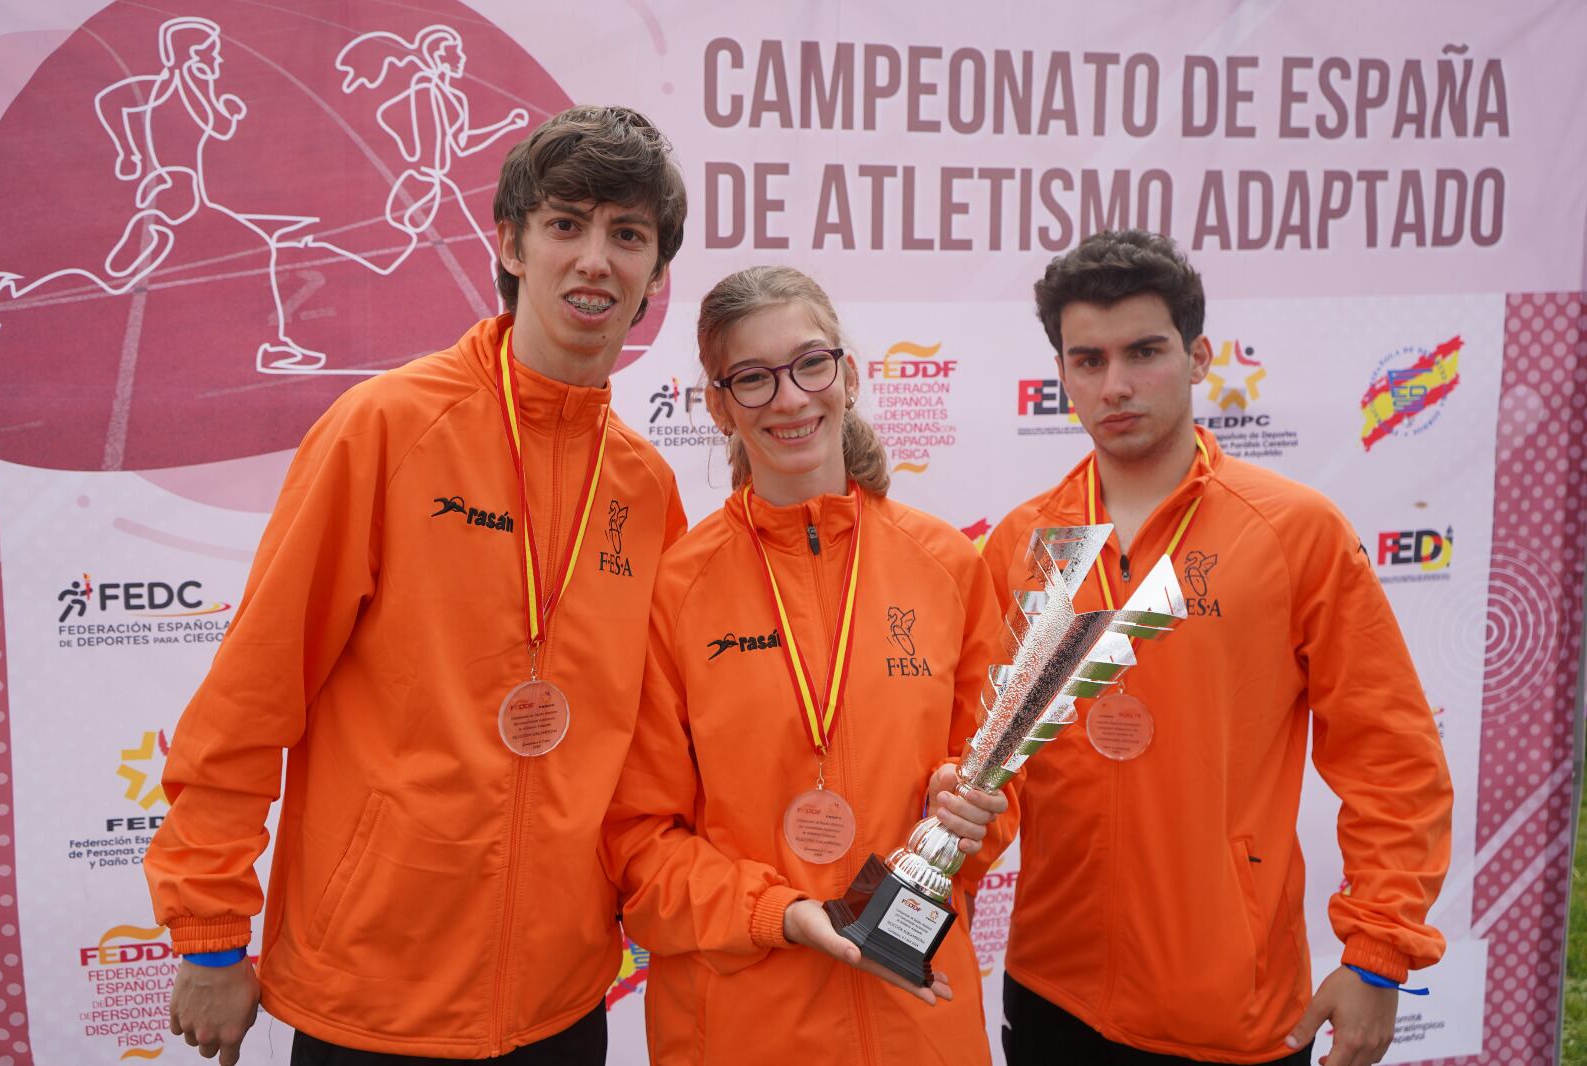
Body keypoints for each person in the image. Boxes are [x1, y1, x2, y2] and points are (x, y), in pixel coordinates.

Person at [143, 104, 688, 1066]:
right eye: (567, 224)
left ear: (653, 274)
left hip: (561, 1003)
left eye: (628, 235)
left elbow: (654, 746)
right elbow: (252, 690)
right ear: (512, 243)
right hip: (375, 994)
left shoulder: (646, 488)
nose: (596, 259)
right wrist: (210, 928)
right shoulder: (387, 427)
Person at [983, 230, 1453, 1066]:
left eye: (1145, 351)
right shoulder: (1026, 543)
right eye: (1086, 360)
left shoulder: (1293, 532)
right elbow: (987, 765)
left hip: (1230, 1011)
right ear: (1061, 372)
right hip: (1052, 991)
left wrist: (1380, 953)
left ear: (1199, 356)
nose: (1116, 385)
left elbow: (1392, 757)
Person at [602, 265, 1017, 1065]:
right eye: (752, 379)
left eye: (810, 365)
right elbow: (639, 848)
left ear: (849, 376)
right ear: (718, 406)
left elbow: (999, 785)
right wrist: (779, 912)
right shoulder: (675, 592)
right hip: (739, 1030)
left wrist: (970, 810)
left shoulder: (946, 567)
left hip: (920, 1024)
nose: (790, 399)